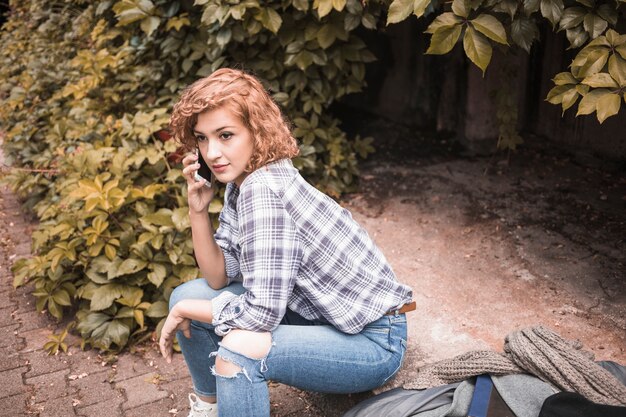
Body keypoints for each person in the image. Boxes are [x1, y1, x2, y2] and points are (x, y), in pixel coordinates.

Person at [160, 68, 414, 417]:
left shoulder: (262, 192)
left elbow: (259, 315)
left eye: (225, 135)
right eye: (202, 139)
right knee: (187, 295)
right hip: (316, 317)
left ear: (257, 131)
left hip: (371, 340)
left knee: (238, 349)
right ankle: (209, 407)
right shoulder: (242, 183)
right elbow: (219, 277)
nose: (212, 152)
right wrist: (198, 211)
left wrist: (186, 312)